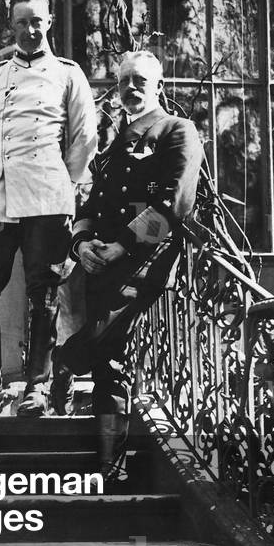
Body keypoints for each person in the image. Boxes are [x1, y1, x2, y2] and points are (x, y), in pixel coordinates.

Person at [64, 50, 202, 477]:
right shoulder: (114, 144)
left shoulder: (177, 131)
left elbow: (173, 202)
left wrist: (122, 245)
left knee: (100, 348)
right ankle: (109, 466)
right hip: (101, 262)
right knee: (110, 358)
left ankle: (62, 362)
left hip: (143, 262)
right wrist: (82, 243)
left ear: (158, 85)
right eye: (124, 81)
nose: (131, 88)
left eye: (140, 80)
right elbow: (91, 200)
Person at [0, 0, 97, 417]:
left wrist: (59, 181)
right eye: (22, 23)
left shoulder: (68, 75)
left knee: (44, 295)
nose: (30, 30)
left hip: (47, 197)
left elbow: (84, 139)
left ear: (50, 22)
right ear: (12, 26)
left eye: (37, 22)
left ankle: (36, 387)